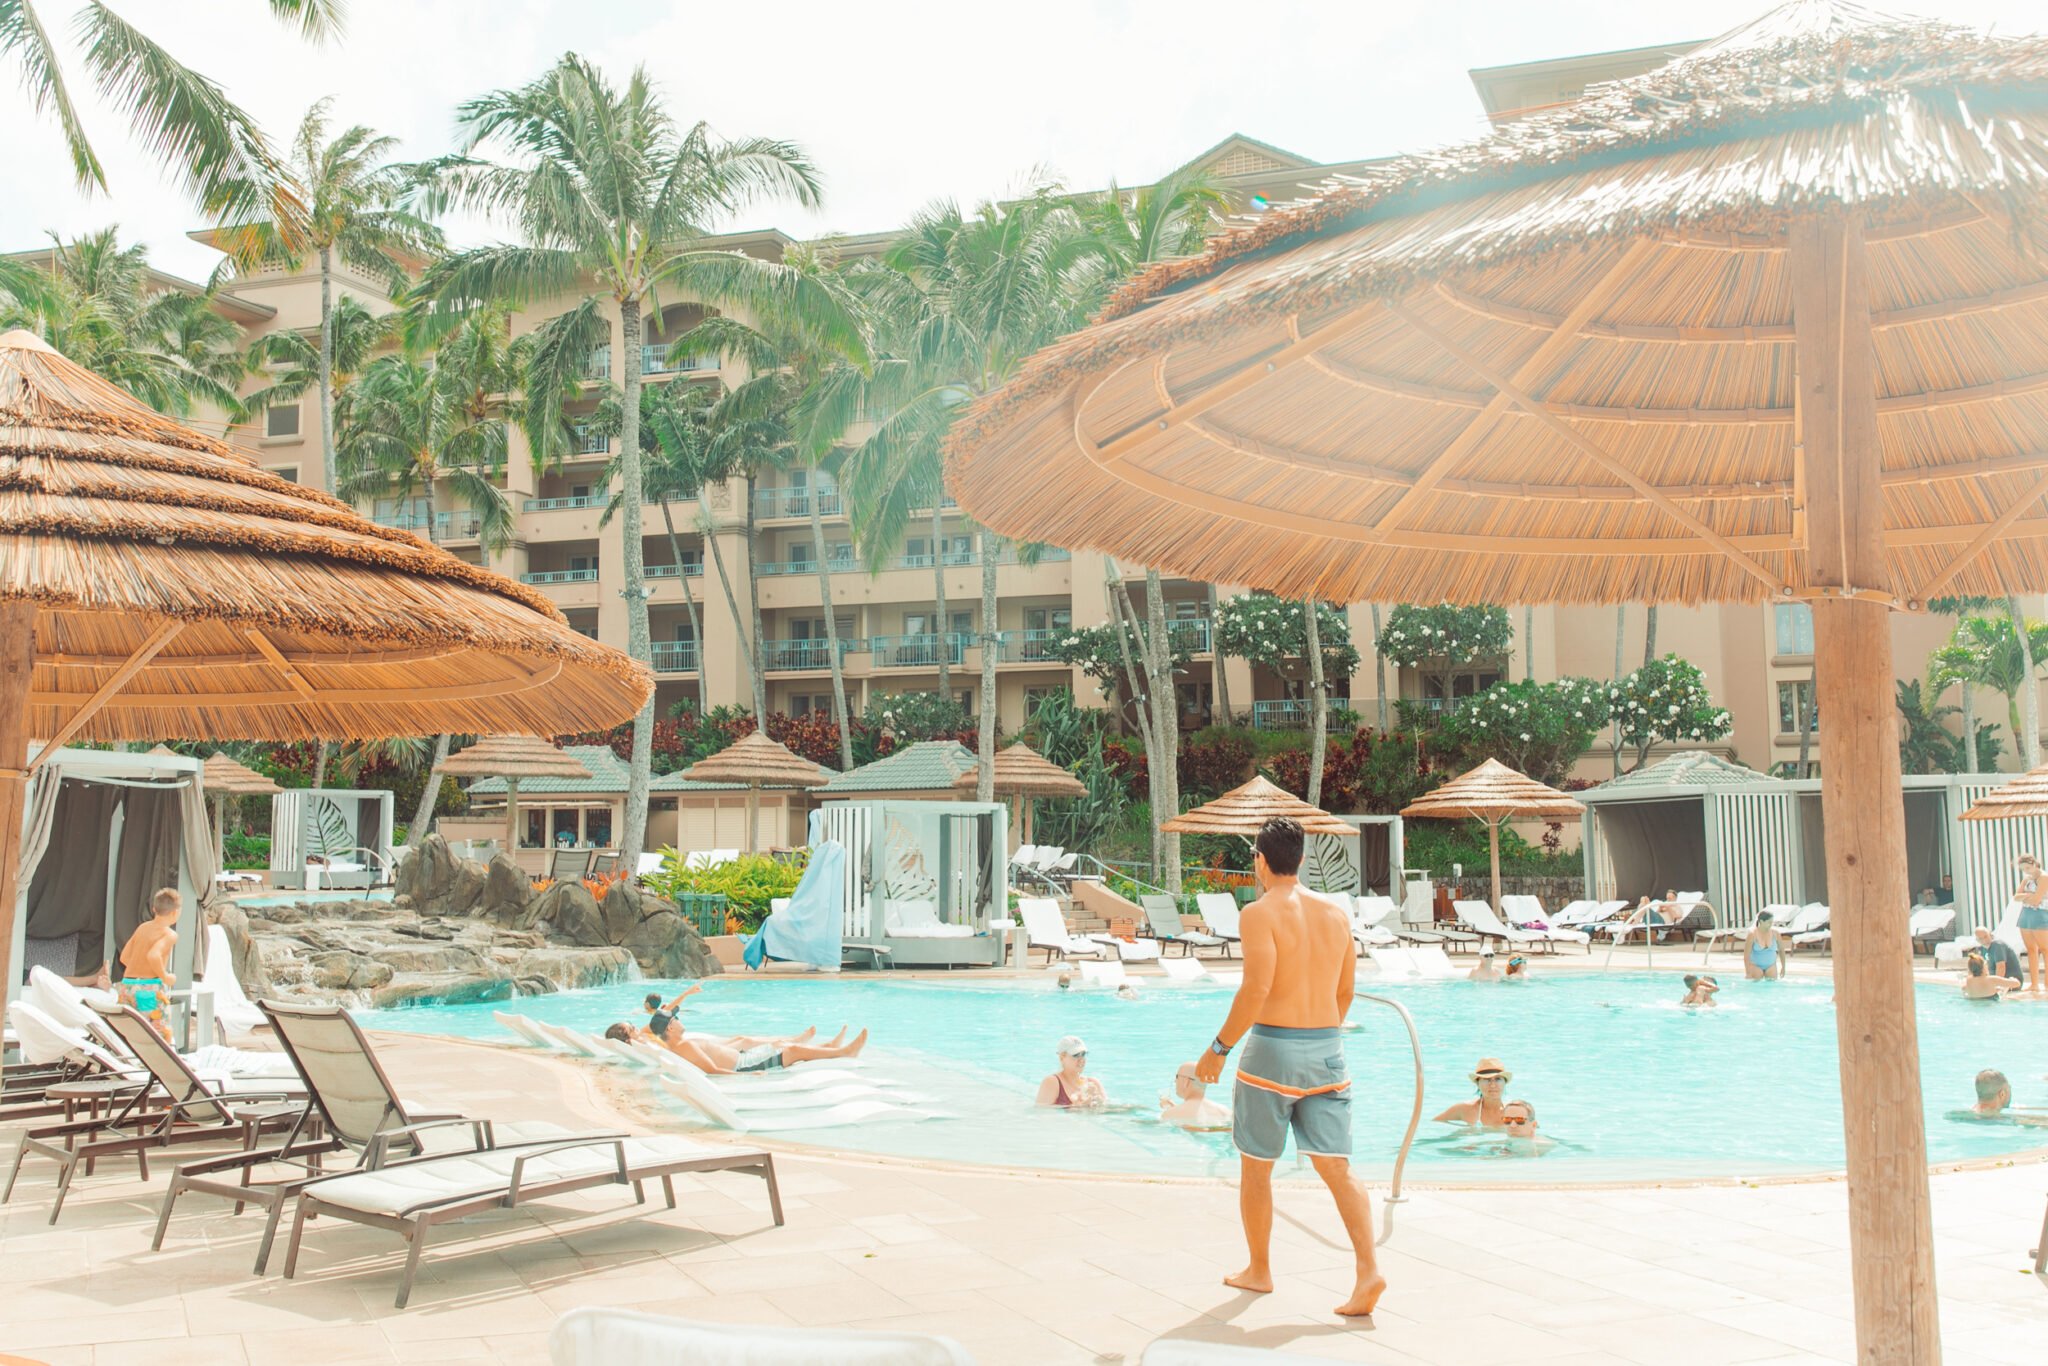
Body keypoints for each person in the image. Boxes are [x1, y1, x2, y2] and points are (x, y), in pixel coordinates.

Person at [1192, 816, 1383, 1317]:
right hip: (1328, 1050)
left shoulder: (1259, 912)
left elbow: (1256, 989)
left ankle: (1260, 1269)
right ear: (1299, 858)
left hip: (1271, 1054)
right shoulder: (1336, 914)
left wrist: (1217, 1048)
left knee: (1257, 1168)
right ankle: (1368, 1270)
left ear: (1260, 859)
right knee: (1337, 1167)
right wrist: (1320, 1037)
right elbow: (1344, 993)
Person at [608, 1020, 863, 1073]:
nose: (678, 1019)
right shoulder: (682, 1046)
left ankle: (829, 1047)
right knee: (792, 1051)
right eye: (675, 1019)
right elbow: (710, 1070)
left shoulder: (676, 1044)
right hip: (745, 1065)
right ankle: (843, 1052)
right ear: (671, 1029)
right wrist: (750, 1077)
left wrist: (635, 1041)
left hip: (745, 1057)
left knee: (784, 1045)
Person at [116, 887, 182, 1038]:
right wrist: (165, 976)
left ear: (154, 909)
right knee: (157, 1034)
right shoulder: (169, 934)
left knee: (129, 1034)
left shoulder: (142, 928)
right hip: (149, 988)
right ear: (175, 912)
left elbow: (124, 957)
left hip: (126, 986)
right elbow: (154, 955)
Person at [1433, 1058, 1511, 1126]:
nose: (1493, 1085)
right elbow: (1434, 1124)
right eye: (1486, 1079)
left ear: (1505, 1082)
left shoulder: (1514, 1112)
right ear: (1477, 1083)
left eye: (1498, 1079)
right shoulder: (1464, 1109)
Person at [1036, 1035, 1106, 1109]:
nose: (1081, 1059)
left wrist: (1098, 1102)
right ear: (1062, 1057)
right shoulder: (1052, 1082)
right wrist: (1076, 1108)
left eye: (1083, 1054)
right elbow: (1041, 1115)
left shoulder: (1094, 1083)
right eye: (1076, 1055)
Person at [1159, 1063, 1232, 1129]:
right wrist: (1174, 1107)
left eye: (1177, 1077)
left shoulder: (1170, 1114)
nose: (1175, 1081)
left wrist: (1171, 1110)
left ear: (1186, 1081)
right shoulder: (1225, 1111)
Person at [2015, 853, 2048, 993]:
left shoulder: (2044, 877)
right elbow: (2016, 897)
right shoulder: (2027, 879)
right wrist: (2030, 896)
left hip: (2040, 915)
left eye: (2028, 867)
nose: (2027, 871)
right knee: (2031, 950)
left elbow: (2037, 900)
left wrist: (2026, 897)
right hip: (2026, 915)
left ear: (2034, 864)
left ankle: (2046, 983)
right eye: (2024, 869)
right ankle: (2034, 984)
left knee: (2045, 949)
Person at [1744, 911, 1784, 981]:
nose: (1771, 925)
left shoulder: (1775, 934)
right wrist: (1748, 972)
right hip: (1755, 965)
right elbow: (1746, 955)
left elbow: (1781, 950)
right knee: (1757, 987)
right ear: (1761, 921)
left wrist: (1783, 967)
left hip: (1771, 965)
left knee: (1771, 987)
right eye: (1769, 922)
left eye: (1772, 922)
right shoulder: (1752, 934)